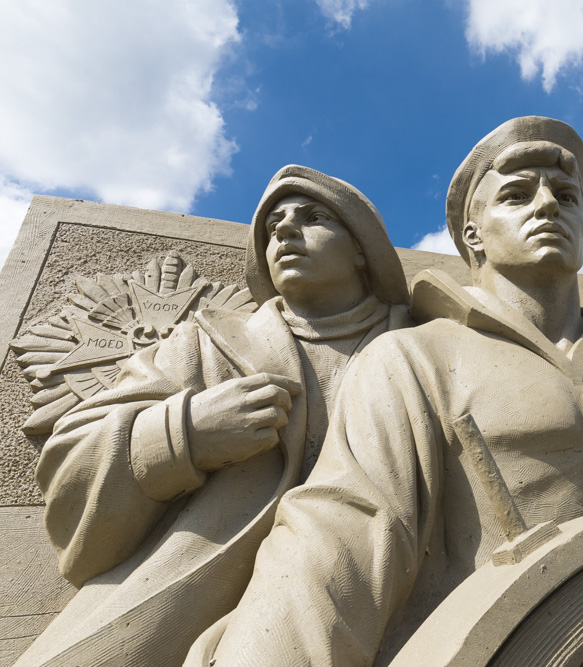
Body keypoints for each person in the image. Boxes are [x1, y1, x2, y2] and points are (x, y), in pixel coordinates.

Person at [189, 117, 583, 666]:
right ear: (473, 236)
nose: (548, 206)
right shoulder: (414, 356)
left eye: (566, 196)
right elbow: (344, 530)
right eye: (517, 196)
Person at [15, 166, 410, 667]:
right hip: (186, 596)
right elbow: (72, 458)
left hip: (381, 594)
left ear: (362, 249)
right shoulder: (208, 342)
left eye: (314, 217)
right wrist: (185, 433)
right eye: (273, 228)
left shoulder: (424, 343)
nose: (286, 230)